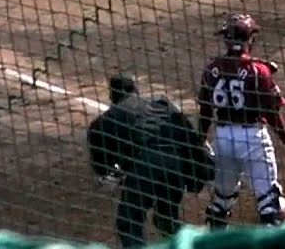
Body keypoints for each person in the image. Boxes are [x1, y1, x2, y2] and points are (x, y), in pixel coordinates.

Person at [86, 74, 215, 248]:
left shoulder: (107, 119)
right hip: (176, 165)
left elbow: (101, 162)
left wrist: (111, 172)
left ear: (112, 96)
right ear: (135, 90)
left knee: (129, 222)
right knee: (165, 219)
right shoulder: (162, 104)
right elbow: (189, 134)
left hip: (146, 166)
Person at [197, 13, 285, 229]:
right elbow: (271, 112)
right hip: (252, 138)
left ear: (226, 40)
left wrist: (201, 139)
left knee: (221, 198)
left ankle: (215, 239)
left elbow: (205, 110)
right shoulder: (259, 71)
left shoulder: (212, 69)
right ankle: (274, 242)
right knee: (269, 200)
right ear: (251, 40)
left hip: (223, 138)